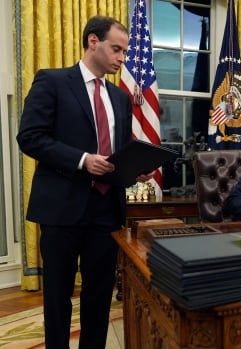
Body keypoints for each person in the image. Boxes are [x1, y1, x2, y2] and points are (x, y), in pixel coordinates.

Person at [16, 16, 151, 349]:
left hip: (106, 210)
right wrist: (82, 160)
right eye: (117, 49)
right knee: (58, 297)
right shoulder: (52, 81)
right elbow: (30, 138)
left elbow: (116, 153)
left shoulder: (119, 99)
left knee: (100, 297)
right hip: (61, 207)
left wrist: (137, 168)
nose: (122, 58)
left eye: (125, 51)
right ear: (93, 41)